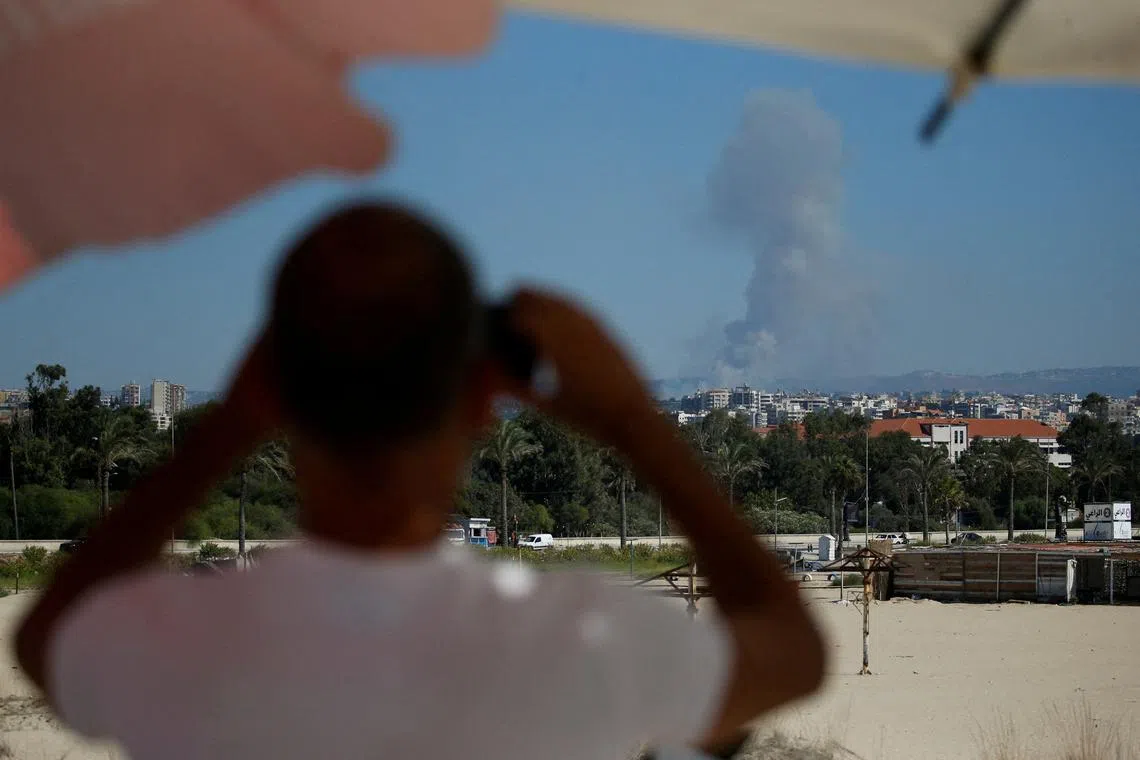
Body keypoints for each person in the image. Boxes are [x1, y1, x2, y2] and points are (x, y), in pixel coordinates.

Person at [16, 202, 825, 760]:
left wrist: (225, 425)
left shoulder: (182, 644)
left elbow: (44, 638)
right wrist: (633, 420)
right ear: (484, 398)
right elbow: (792, 651)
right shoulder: (578, 640)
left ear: (276, 386)